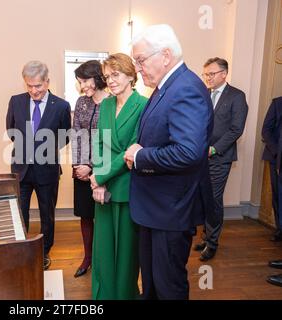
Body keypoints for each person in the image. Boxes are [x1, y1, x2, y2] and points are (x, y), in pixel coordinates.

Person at [125, 24, 213, 300]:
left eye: (140, 60)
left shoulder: (186, 88)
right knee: (151, 283)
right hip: (156, 208)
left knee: (168, 286)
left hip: (170, 210)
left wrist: (140, 156)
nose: (138, 68)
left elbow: (188, 152)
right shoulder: (167, 86)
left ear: (164, 55)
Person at [89, 53, 147, 299]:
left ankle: (124, 295)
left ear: (131, 76)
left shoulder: (143, 105)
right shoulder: (106, 105)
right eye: (107, 76)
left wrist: (99, 178)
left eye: (116, 75)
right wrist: (99, 181)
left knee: (125, 253)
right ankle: (103, 295)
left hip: (127, 187)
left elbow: (131, 151)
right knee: (102, 250)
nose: (110, 81)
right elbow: (99, 143)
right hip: (103, 188)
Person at [6, 61, 71, 270]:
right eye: (29, 86)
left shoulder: (61, 106)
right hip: (21, 169)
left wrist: (43, 149)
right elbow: (11, 130)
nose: (34, 91)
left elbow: (65, 136)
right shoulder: (16, 101)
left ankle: (44, 252)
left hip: (47, 170)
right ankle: (22, 251)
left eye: (38, 86)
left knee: (47, 215)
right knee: (20, 214)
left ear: (47, 82)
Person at [193, 57, 248, 261]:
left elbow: (236, 129)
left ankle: (213, 242)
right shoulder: (203, 94)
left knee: (214, 200)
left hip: (219, 157)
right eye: (205, 74)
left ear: (224, 74)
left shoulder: (236, 96)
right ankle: (205, 236)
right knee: (202, 197)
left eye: (211, 74)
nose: (207, 77)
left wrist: (214, 149)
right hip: (199, 157)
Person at [71, 60, 109, 278]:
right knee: (85, 216)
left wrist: (92, 167)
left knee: (103, 218)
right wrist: (79, 166)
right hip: (81, 172)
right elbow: (77, 135)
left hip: (104, 172)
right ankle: (88, 257)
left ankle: (103, 261)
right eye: (79, 81)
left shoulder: (113, 102)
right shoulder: (82, 102)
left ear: (97, 77)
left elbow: (110, 142)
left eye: (84, 80)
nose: (82, 85)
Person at [262, 96, 282, 242]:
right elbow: (266, 130)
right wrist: (277, 152)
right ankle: (280, 229)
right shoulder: (277, 103)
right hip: (276, 158)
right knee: (277, 196)